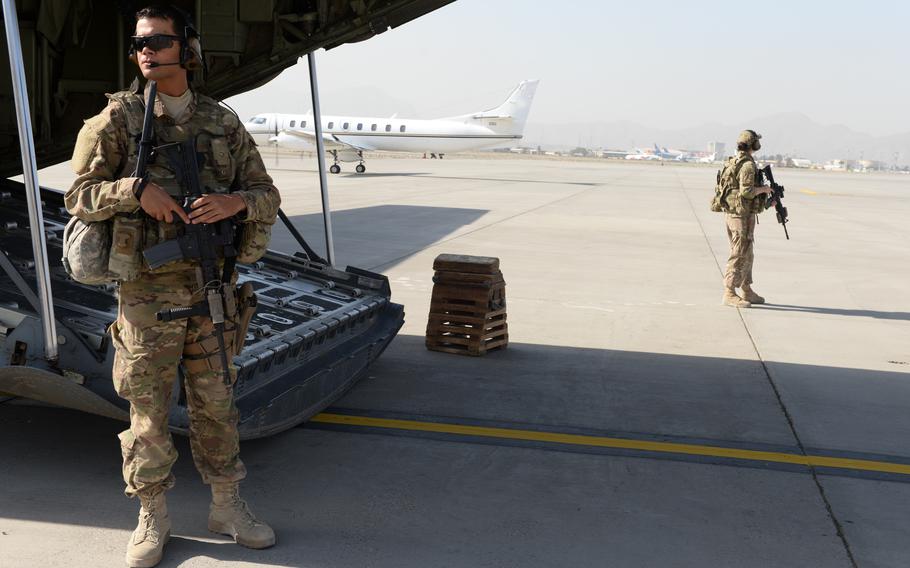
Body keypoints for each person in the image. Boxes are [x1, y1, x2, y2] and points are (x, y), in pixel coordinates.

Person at [64, 5, 280, 567]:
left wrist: (236, 201)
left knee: (217, 406)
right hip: (146, 295)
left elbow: (266, 193)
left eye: (159, 41)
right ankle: (152, 513)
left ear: (187, 47)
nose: (146, 51)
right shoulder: (115, 122)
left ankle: (228, 506)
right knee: (148, 414)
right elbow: (79, 197)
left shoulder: (221, 121)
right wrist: (134, 191)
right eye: (139, 43)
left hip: (213, 291)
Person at [716, 130, 773, 308]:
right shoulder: (747, 165)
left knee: (747, 252)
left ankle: (746, 290)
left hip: (738, 213)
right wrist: (764, 190)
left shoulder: (733, 161)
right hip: (739, 216)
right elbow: (746, 192)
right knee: (739, 253)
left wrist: (766, 202)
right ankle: (729, 292)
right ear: (753, 145)